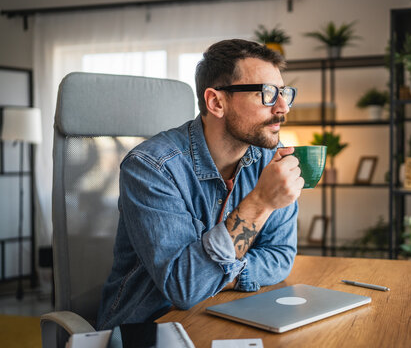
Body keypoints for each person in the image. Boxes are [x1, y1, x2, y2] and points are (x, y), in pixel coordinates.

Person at [97, 39, 303, 329]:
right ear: (216, 102)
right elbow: (185, 288)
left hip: (226, 315)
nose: (283, 107)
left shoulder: (270, 158)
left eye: (283, 93)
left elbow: (281, 256)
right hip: (148, 329)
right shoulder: (151, 167)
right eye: (267, 94)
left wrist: (218, 275)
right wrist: (260, 203)